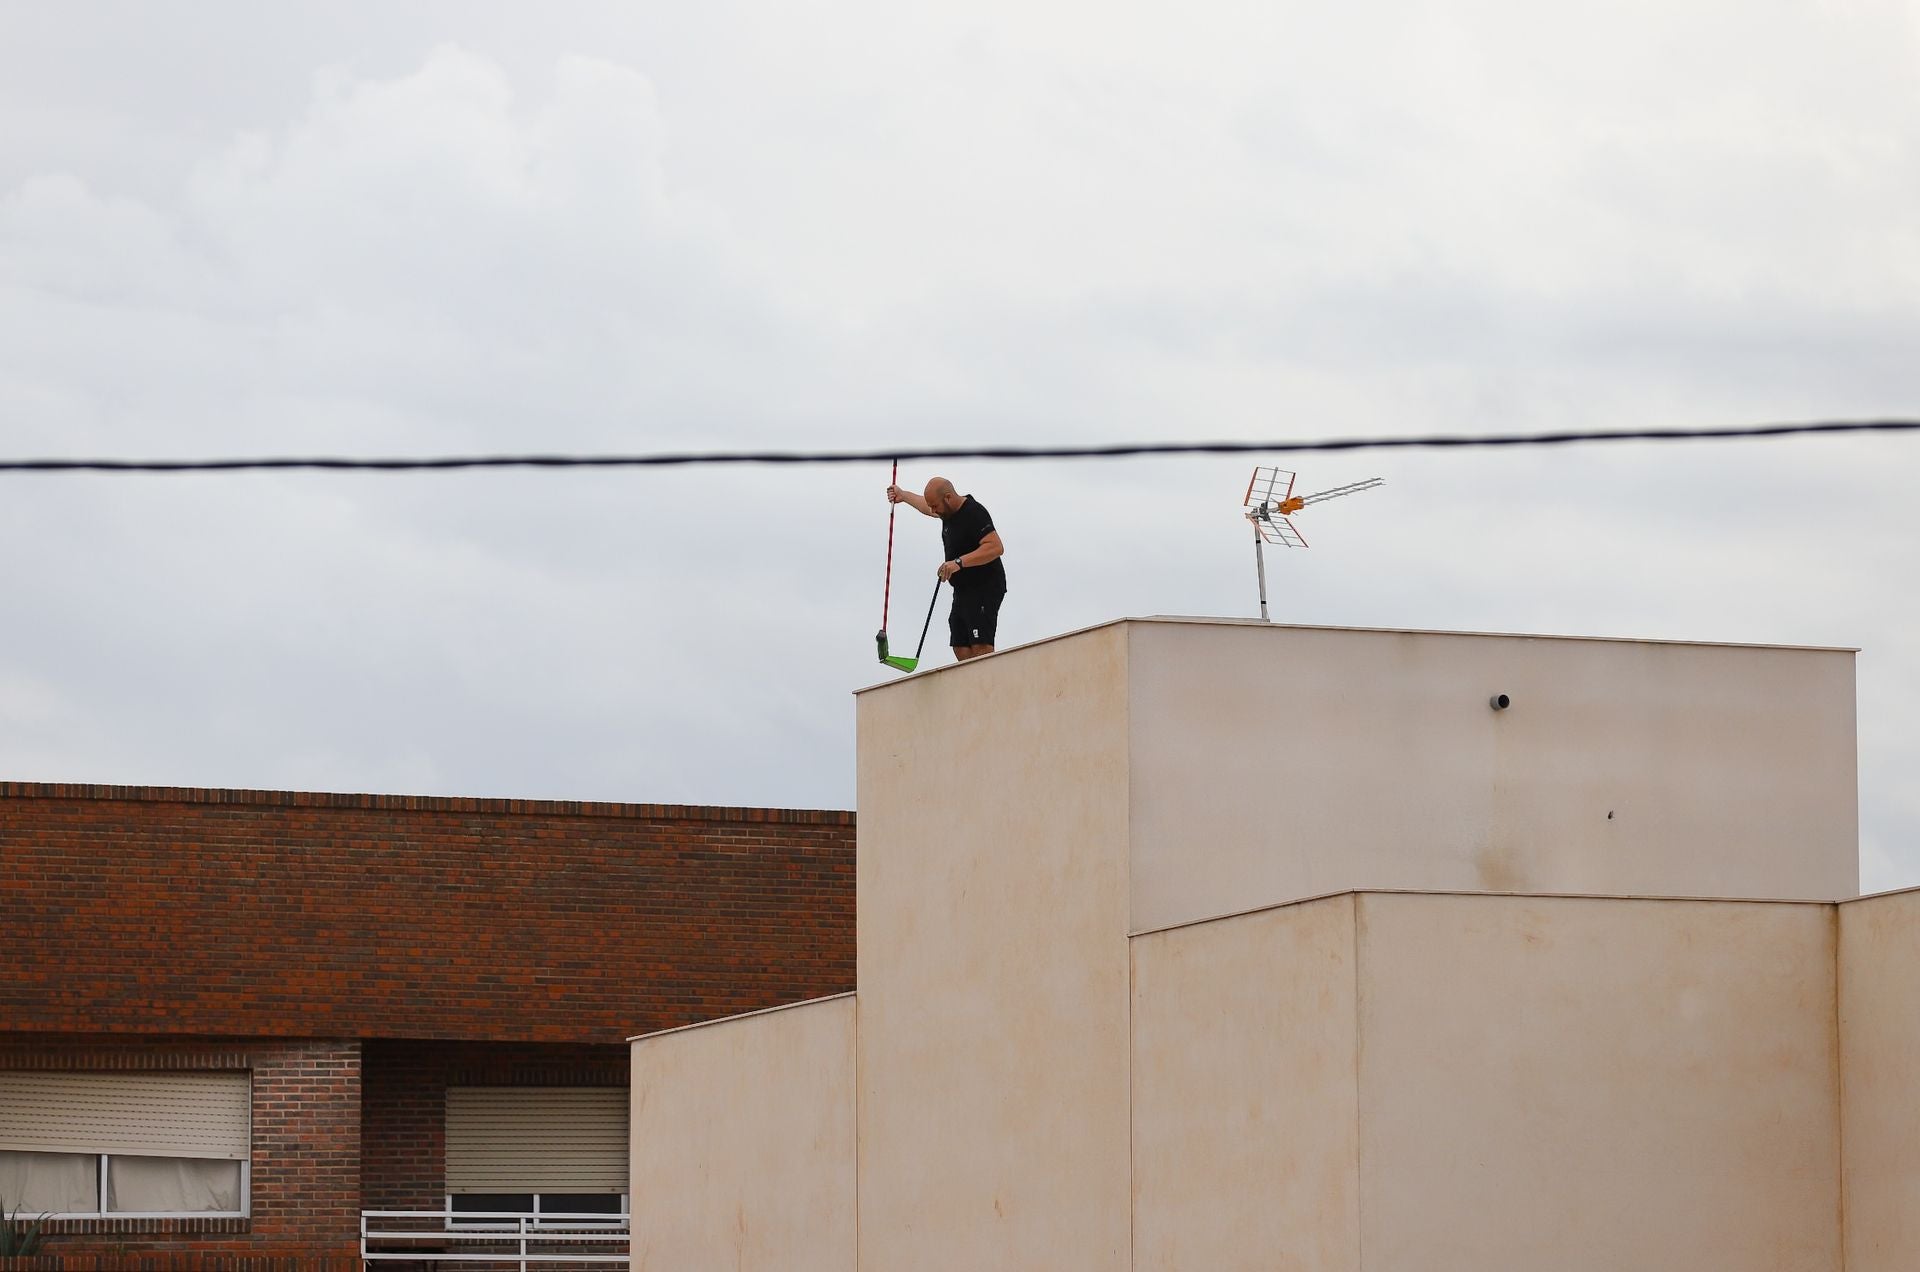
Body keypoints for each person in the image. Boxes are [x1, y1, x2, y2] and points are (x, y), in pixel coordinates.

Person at [886, 476, 1006, 661]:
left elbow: (996, 547)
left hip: (985, 586)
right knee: (960, 645)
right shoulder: (946, 512)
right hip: (963, 589)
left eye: (935, 506)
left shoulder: (974, 512)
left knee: (980, 645)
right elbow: (926, 506)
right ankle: (972, 685)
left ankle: (987, 685)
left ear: (948, 498)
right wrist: (903, 495)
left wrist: (957, 563)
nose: (933, 511)